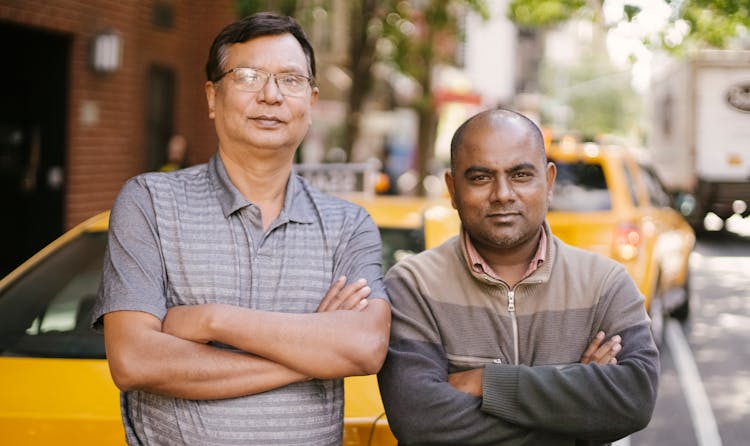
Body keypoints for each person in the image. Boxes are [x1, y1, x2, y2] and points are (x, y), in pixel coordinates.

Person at [93, 12, 391, 446]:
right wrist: (315, 353)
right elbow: (135, 361)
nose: (271, 96)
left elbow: (364, 347)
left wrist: (213, 320)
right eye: (249, 76)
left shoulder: (348, 224)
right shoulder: (149, 203)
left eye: (290, 80)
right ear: (212, 96)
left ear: (310, 101)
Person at [377, 109, 659, 445]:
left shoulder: (604, 284)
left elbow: (634, 399)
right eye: (481, 177)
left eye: (521, 175)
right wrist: (577, 410)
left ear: (549, 181)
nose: (503, 194)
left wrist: (489, 383)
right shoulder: (413, 285)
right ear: (452, 189)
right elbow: (419, 420)